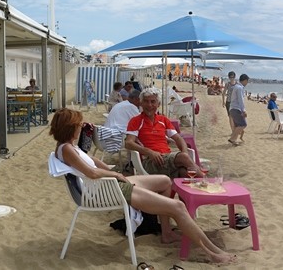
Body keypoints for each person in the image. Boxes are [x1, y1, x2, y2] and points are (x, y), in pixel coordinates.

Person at [49, 109, 236, 264]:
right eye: (79, 125)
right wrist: (114, 174)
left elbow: (95, 164)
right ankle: (212, 253)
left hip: (106, 185)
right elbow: (92, 173)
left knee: (164, 181)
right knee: (178, 207)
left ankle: (166, 233)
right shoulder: (66, 149)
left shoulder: (69, 147)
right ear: (70, 127)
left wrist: (115, 172)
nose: (82, 127)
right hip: (108, 190)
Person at [124, 89, 202, 179]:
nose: (149, 105)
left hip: (166, 159)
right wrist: (149, 152)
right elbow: (128, 143)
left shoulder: (163, 120)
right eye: (146, 101)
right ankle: (207, 182)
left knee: (184, 173)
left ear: (158, 104)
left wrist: (185, 154)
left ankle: (195, 191)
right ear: (141, 103)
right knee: (184, 159)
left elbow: (178, 139)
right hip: (149, 161)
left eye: (153, 102)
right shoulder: (136, 121)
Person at [227, 74, 250, 146]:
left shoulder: (236, 87)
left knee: (238, 125)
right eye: (247, 81)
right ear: (245, 80)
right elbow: (240, 100)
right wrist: (244, 110)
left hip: (232, 108)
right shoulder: (239, 88)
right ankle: (232, 139)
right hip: (236, 108)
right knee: (243, 124)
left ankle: (234, 139)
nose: (247, 83)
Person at [222, 71, 237, 136]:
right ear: (229, 77)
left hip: (235, 103)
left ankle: (235, 130)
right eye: (230, 77)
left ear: (234, 77)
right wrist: (223, 101)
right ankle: (233, 131)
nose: (231, 78)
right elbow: (223, 93)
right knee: (230, 117)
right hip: (228, 102)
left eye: (232, 77)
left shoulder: (237, 84)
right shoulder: (227, 84)